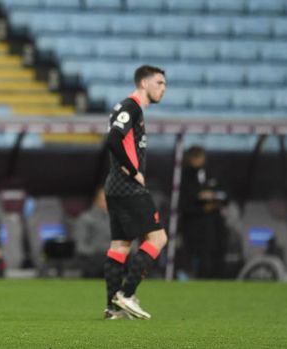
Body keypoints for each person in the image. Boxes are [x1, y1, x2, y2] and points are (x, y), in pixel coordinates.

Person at [102, 65, 168, 320]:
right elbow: (113, 139)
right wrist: (133, 171)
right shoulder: (131, 107)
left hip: (114, 187)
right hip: (128, 187)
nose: (163, 88)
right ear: (144, 83)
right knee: (158, 239)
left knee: (120, 245)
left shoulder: (129, 109)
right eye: (159, 83)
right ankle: (126, 294)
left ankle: (112, 307)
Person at [178, 146, 229, 279]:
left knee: (217, 257)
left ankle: (218, 282)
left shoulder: (213, 173)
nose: (197, 161)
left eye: (199, 157)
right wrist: (201, 205)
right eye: (194, 158)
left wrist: (214, 196)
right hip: (194, 228)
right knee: (199, 260)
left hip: (215, 226)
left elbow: (226, 195)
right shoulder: (183, 176)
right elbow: (183, 204)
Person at [72, 188, 111, 278]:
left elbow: (132, 243)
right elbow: (80, 246)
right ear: (97, 201)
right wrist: (100, 252)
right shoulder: (86, 218)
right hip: (95, 259)